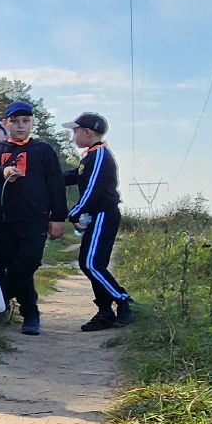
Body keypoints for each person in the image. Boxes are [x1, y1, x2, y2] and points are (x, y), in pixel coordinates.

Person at [0, 101, 65, 336]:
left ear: (32, 123)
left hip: (34, 217)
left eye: (25, 121)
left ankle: (0, 297)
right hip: (1, 219)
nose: (20, 125)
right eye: (15, 121)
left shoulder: (43, 150)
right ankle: (30, 314)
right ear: (6, 123)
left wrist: (58, 216)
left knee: (30, 260)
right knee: (8, 264)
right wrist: (2, 172)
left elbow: (56, 184)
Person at [66, 112, 134, 331]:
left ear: (87, 132)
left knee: (91, 264)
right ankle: (105, 311)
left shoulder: (100, 156)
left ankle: (123, 301)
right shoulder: (91, 156)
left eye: (75, 132)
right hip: (99, 216)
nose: (73, 136)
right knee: (92, 264)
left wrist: (75, 213)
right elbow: (76, 175)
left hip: (104, 214)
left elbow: (92, 190)